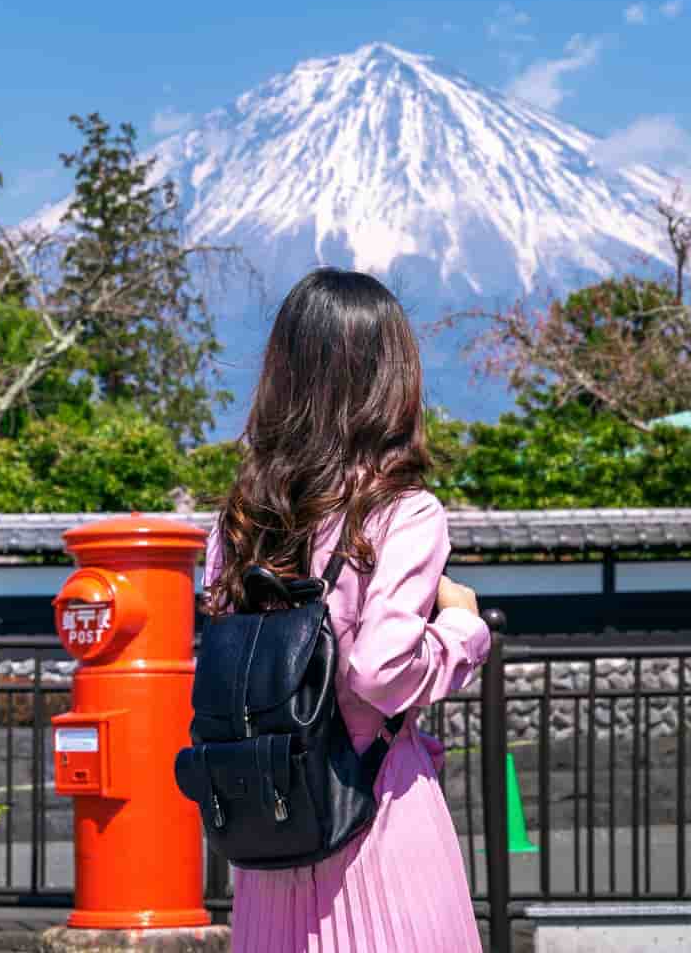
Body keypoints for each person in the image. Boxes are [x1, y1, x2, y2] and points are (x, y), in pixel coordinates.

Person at [202, 267, 489, 952]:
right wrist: (461, 630)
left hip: (272, 832)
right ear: (390, 379)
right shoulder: (402, 512)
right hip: (374, 815)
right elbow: (379, 670)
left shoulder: (239, 521)